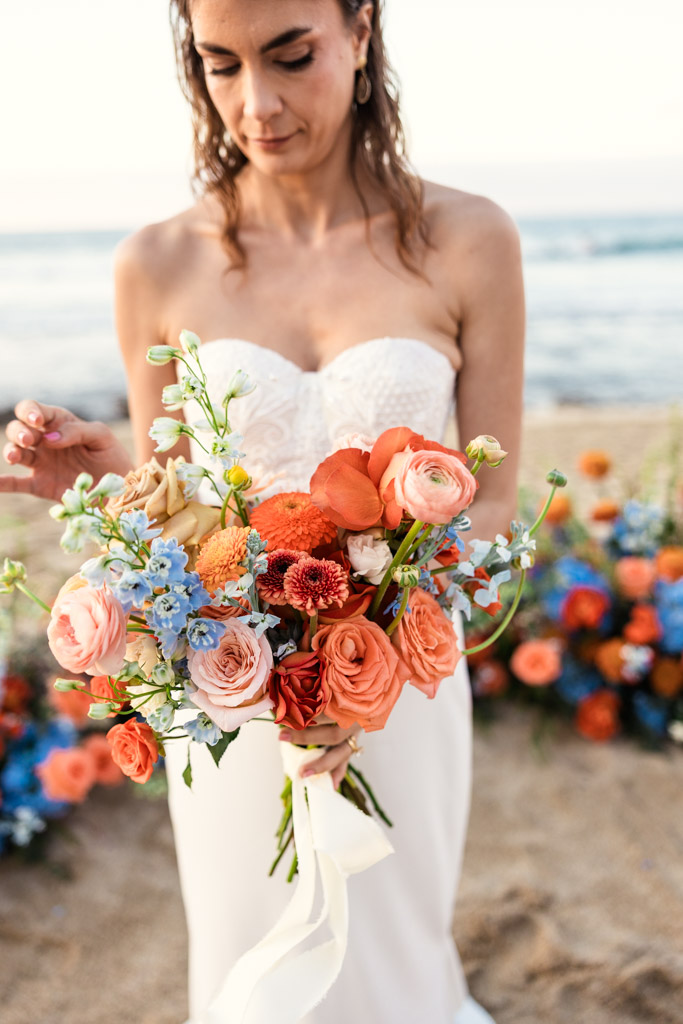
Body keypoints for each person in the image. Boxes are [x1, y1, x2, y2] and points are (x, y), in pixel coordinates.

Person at [0, 0, 525, 1020]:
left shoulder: (468, 239)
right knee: (251, 959)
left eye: (291, 57)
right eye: (221, 64)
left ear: (361, 29)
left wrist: (369, 618)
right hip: (235, 693)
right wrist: (103, 489)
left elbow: (495, 495)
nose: (257, 103)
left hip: (400, 686)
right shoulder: (155, 264)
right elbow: (183, 524)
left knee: (397, 954)